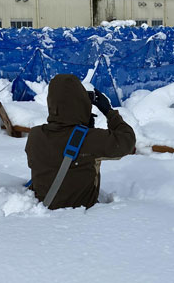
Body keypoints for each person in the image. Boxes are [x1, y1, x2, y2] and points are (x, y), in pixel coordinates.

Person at [25, 74, 136, 210]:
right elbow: (126, 141)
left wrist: (83, 128)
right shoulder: (90, 139)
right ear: (81, 103)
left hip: (43, 210)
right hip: (80, 217)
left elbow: (57, 153)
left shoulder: (35, 135)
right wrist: (109, 112)